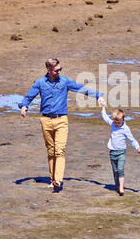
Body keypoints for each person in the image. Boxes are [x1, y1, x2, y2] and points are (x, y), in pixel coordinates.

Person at [19, 58, 105, 190]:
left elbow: (80, 88)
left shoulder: (65, 81)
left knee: (60, 151)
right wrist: (24, 106)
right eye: (56, 70)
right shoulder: (40, 83)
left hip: (61, 121)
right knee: (51, 152)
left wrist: (98, 95)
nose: (59, 72)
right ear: (48, 70)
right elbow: (29, 97)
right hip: (46, 121)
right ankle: (52, 180)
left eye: (60, 69)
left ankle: (58, 180)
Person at [101, 103, 140, 195]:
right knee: (115, 171)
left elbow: (131, 139)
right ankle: (117, 186)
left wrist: (137, 147)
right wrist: (103, 107)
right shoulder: (112, 124)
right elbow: (105, 117)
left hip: (121, 152)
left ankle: (121, 187)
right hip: (112, 152)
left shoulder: (125, 128)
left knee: (120, 169)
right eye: (115, 122)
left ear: (123, 119)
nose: (117, 124)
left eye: (119, 122)